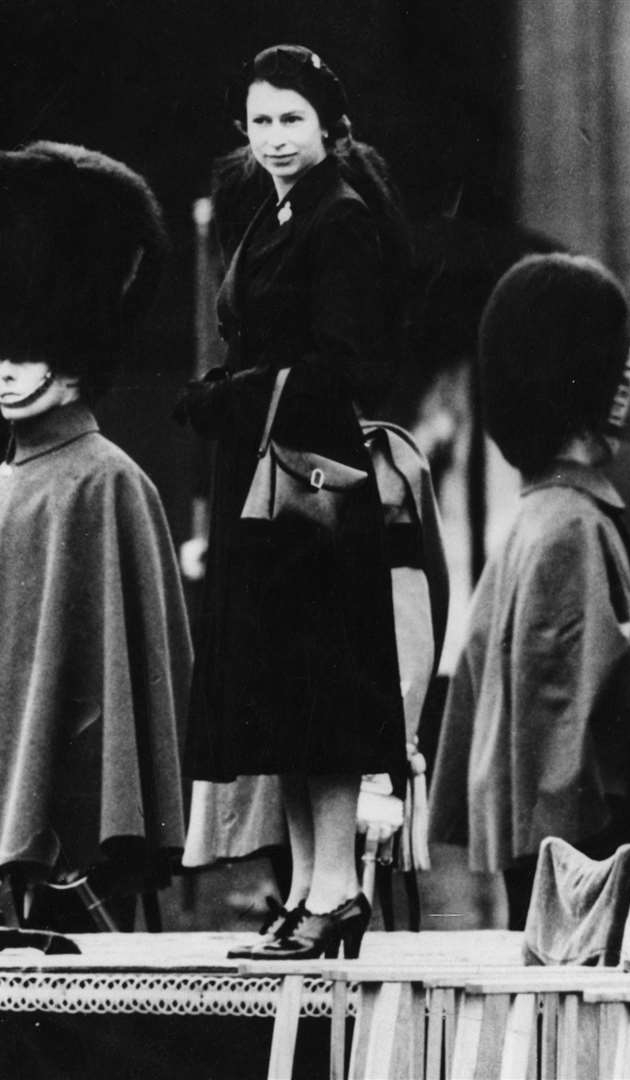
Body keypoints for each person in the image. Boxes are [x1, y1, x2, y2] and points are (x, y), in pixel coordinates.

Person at [0, 141, 188, 928]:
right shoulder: (2, 482)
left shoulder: (107, 480)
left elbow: (119, 677)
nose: (5, 372)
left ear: (74, 351)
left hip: (79, 806)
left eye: (28, 352)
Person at [175, 44, 411, 960]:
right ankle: (312, 890)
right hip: (269, 478)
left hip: (310, 484)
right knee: (290, 694)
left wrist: (230, 396)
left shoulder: (338, 220)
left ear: (327, 127)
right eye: (260, 120)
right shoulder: (277, 212)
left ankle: (337, 890)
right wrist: (229, 390)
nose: (273, 138)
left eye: (290, 120)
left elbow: (347, 367)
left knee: (320, 689)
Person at [427, 253, 630, 930]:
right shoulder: (574, 526)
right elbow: (587, 693)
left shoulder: (541, 515)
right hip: (578, 829)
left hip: (542, 822)